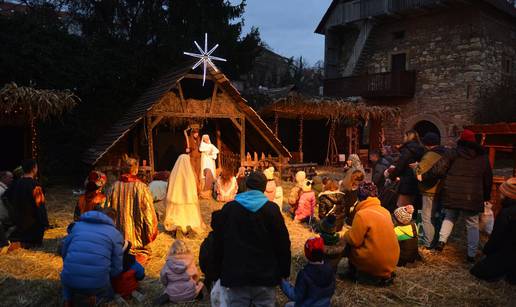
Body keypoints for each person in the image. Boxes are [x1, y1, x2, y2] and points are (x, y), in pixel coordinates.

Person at [211, 171, 291, 306]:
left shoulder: (230, 209)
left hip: (236, 275)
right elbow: (282, 243)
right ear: (264, 188)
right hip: (265, 275)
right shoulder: (272, 210)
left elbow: (218, 243)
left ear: (246, 186)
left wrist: (217, 271)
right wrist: (284, 271)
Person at [420, 129, 493, 262]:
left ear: (461, 140)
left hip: (452, 192)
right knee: (472, 224)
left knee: (450, 216)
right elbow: (488, 178)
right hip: (473, 195)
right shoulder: (482, 156)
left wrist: (423, 176)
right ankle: (471, 254)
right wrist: (486, 196)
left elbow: (438, 169)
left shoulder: (453, 153)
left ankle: (441, 243)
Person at [61, 208, 124, 306]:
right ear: (114, 220)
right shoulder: (115, 234)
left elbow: (64, 251)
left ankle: (68, 299)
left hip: (69, 278)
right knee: (110, 293)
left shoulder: (77, 227)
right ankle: (94, 297)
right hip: (97, 283)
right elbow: (117, 267)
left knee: (69, 282)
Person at [343, 181, 399, 284]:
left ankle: (354, 273)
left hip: (374, 262)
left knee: (347, 243)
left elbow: (354, 240)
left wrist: (345, 234)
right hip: (391, 263)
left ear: (359, 197)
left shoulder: (362, 214)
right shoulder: (385, 211)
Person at [107, 155, 158, 264]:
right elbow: (148, 212)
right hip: (137, 239)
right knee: (139, 255)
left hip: (117, 240)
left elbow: (106, 211)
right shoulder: (142, 187)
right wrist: (151, 230)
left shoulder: (113, 187)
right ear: (135, 170)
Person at [470, 178, 516, 284]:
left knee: (477, 270)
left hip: (508, 253)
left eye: (502, 194)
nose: (499, 196)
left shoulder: (506, 213)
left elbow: (497, 238)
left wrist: (486, 251)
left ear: (508, 195)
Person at [280, 237, 336, 307]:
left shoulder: (304, 274)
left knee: (288, 305)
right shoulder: (330, 269)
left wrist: (282, 282)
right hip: (325, 304)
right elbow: (333, 289)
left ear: (307, 254)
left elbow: (296, 296)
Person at [414, 132, 446, 249]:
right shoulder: (444, 153)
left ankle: (428, 243)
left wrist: (415, 167)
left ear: (427, 144)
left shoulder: (430, 155)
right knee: (437, 216)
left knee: (427, 217)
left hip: (429, 190)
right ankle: (436, 239)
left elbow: (419, 172)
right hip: (440, 189)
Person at [7, 159, 49, 248]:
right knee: (35, 244)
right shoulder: (35, 186)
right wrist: (45, 223)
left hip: (18, 223)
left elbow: (7, 197)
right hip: (32, 225)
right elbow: (40, 206)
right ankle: (20, 245)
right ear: (34, 169)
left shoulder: (15, 184)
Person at [164, 154, 204, 237]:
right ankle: (190, 226)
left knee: (176, 214)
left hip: (176, 200)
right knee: (190, 213)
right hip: (189, 200)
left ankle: (177, 226)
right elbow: (197, 186)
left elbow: (168, 187)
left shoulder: (174, 173)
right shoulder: (191, 174)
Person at [156, 240, 204, 304]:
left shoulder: (168, 263)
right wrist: (194, 282)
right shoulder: (190, 261)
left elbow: (163, 278)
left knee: (168, 292)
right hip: (190, 293)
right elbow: (196, 275)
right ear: (187, 248)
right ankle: (196, 295)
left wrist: (168, 285)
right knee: (199, 285)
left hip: (172, 295)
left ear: (172, 250)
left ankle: (168, 297)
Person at [386, 130, 425, 207]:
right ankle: (418, 219)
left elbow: (401, 165)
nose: (403, 138)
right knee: (416, 207)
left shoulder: (407, 150)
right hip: (417, 181)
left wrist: (391, 176)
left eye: (404, 136)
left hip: (406, 182)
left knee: (402, 208)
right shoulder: (422, 149)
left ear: (408, 137)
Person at [184, 124, 202, 190]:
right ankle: (192, 187)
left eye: (197, 133)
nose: (196, 134)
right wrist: (187, 150)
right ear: (192, 134)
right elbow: (185, 134)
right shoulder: (189, 139)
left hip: (198, 158)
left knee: (197, 172)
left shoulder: (199, 139)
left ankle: (197, 187)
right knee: (192, 172)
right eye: (195, 133)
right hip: (192, 158)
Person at [0, 171, 14, 251]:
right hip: (4, 219)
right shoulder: (2, 190)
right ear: (3, 178)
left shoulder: (4, 188)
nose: (12, 179)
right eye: (10, 177)